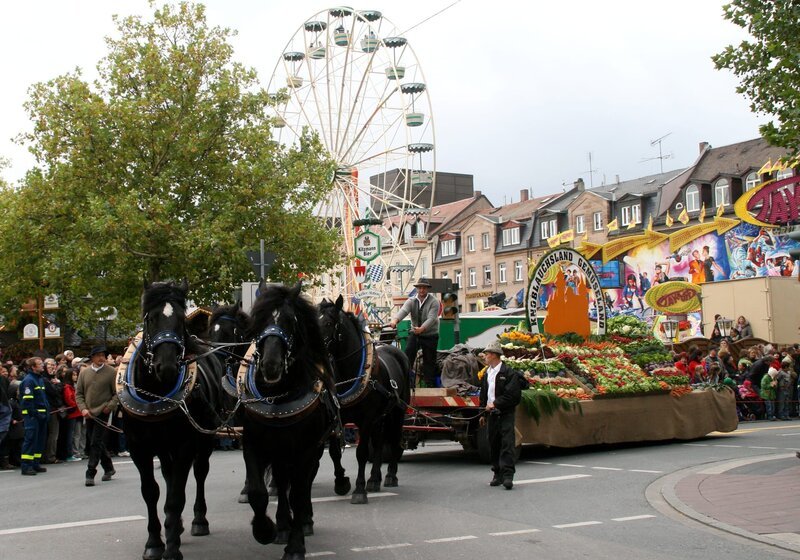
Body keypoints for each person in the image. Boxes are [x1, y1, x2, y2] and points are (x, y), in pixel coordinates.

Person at [479, 340, 524, 490]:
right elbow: (484, 396)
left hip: (505, 414)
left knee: (507, 444)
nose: (484, 356)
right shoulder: (487, 373)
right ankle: (497, 473)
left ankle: (508, 476)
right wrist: (482, 413)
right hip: (491, 415)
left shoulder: (509, 373)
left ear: (493, 355)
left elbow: (513, 396)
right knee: (494, 444)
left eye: (486, 354)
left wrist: (496, 404)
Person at [76, 345, 119, 487]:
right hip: (88, 413)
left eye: (103, 355)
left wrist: (110, 407)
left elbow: (117, 393)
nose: (102, 358)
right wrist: (82, 409)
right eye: (98, 355)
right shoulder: (84, 373)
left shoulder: (111, 372)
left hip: (103, 411)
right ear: (92, 357)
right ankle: (109, 468)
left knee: (95, 442)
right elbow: (79, 394)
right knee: (96, 442)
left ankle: (90, 472)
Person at [389, 279, 440, 388]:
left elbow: (432, 318)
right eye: (420, 287)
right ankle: (407, 382)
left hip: (430, 334)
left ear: (427, 289)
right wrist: (395, 321)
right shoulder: (411, 301)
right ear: (417, 288)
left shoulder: (434, 301)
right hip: (415, 333)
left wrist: (422, 328)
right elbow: (403, 311)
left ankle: (430, 384)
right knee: (408, 355)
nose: (421, 290)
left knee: (429, 360)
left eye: (424, 288)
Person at [18, 357, 49, 475]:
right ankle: (26, 466)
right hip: (32, 416)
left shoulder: (39, 379)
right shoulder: (29, 381)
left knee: (39, 440)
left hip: (41, 415)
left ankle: (35, 463)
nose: (43, 365)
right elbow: (27, 401)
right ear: (33, 367)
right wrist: (35, 414)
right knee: (30, 440)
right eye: (40, 364)